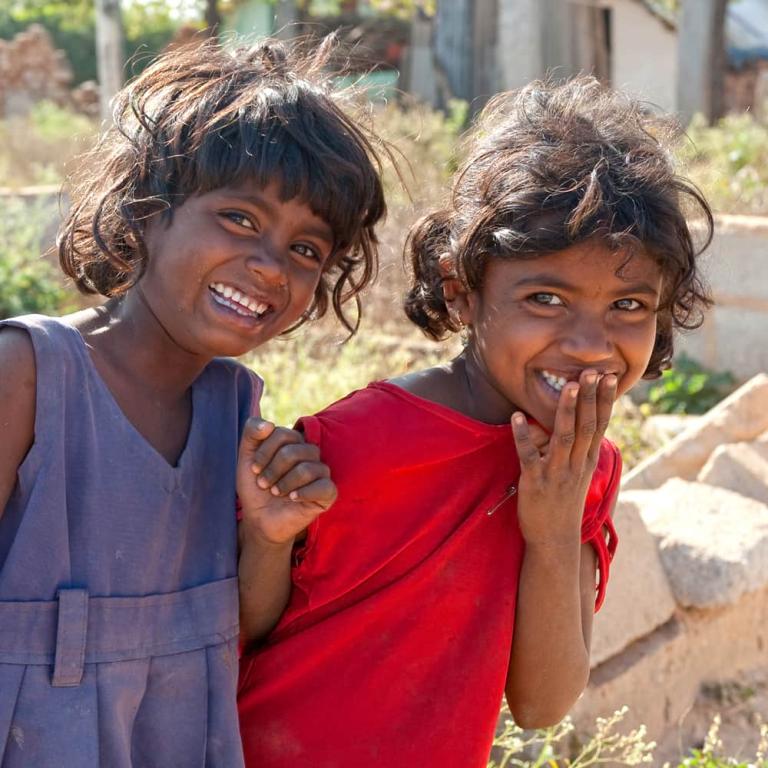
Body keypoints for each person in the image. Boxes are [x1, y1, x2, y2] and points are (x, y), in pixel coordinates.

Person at [236, 76, 713, 767]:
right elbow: (244, 631)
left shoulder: (585, 469)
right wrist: (267, 538)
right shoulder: (357, 441)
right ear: (462, 293)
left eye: (629, 306)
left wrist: (552, 534)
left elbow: (542, 703)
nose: (589, 343)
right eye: (547, 297)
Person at [0, 35, 387, 768]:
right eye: (239, 219)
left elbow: (218, 632)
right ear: (149, 209)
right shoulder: (27, 377)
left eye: (307, 249)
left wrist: (270, 537)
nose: (270, 265)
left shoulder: (233, 410)